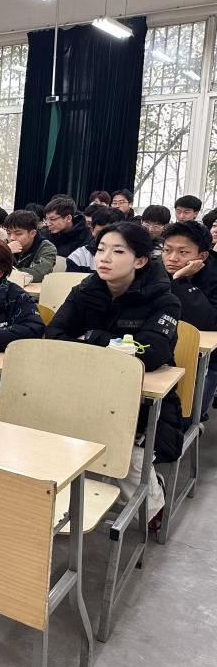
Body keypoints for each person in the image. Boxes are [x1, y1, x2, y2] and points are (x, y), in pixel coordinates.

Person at [46, 222, 181, 521]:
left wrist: (91, 337)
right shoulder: (84, 290)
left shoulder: (164, 300)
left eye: (118, 251)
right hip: (83, 386)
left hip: (140, 400)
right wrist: (117, 346)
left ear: (140, 261)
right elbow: (54, 336)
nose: (104, 258)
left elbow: (151, 354)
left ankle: (153, 508)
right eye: (101, 250)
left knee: (123, 454)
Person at [162, 220, 217, 419]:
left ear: (202, 256)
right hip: (163, 347)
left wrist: (180, 281)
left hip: (206, 358)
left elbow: (210, 322)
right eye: (167, 250)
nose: (172, 258)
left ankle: (193, 420)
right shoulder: (154, 268)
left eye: (183, 252)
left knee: (186, 416)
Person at [3, 210, 57, 282]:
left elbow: (39, 274)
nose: (12, 238)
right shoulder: (4, 244)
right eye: (8, 233)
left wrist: (5, 272)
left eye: (18, 234)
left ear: (32, 233)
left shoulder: (47, 248)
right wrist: (4, 252)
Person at [67, 207, 123, 271]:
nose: (106, 238)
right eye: (101, 234)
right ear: (92, 230)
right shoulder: (79, 257)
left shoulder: (129, 256)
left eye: (113, 234)